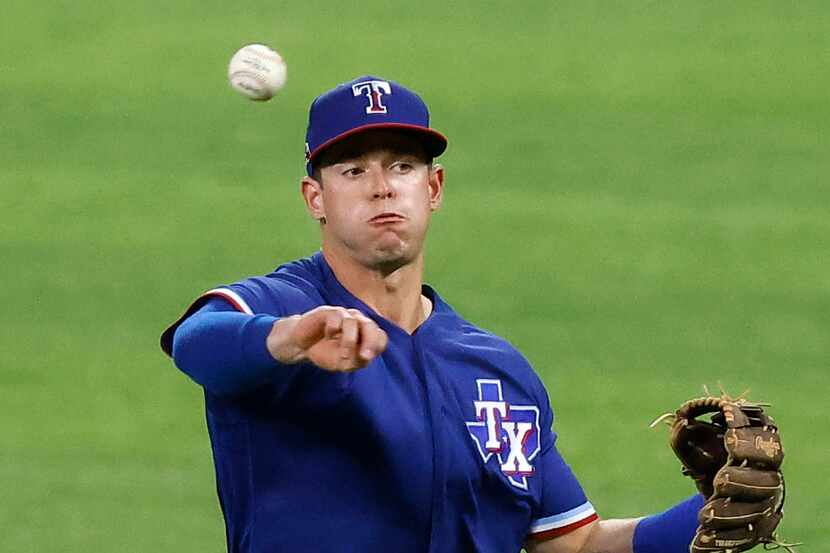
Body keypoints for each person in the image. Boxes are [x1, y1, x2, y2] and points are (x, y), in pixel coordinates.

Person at [160, 76, 702, 553]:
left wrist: (702, 519)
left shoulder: (497, 372)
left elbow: (573, 544)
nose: (382, 186)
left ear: (433, 187)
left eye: (402, 166)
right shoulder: (288, 306)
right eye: (353, 170)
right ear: (315, 198)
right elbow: (197, 341)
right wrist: (290, 339)